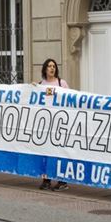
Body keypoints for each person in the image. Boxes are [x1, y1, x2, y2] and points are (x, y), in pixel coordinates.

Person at [37, 58, 69, 189]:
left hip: (59, 125)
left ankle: (62, 181)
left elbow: (69, 99)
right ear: (45, 69)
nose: (52, 68)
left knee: (59, 153)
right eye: (49, 66)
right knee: (45, 153)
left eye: (54, 66)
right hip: (45, 125)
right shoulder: (41, 84)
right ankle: (46, 180)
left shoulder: (62, 83)